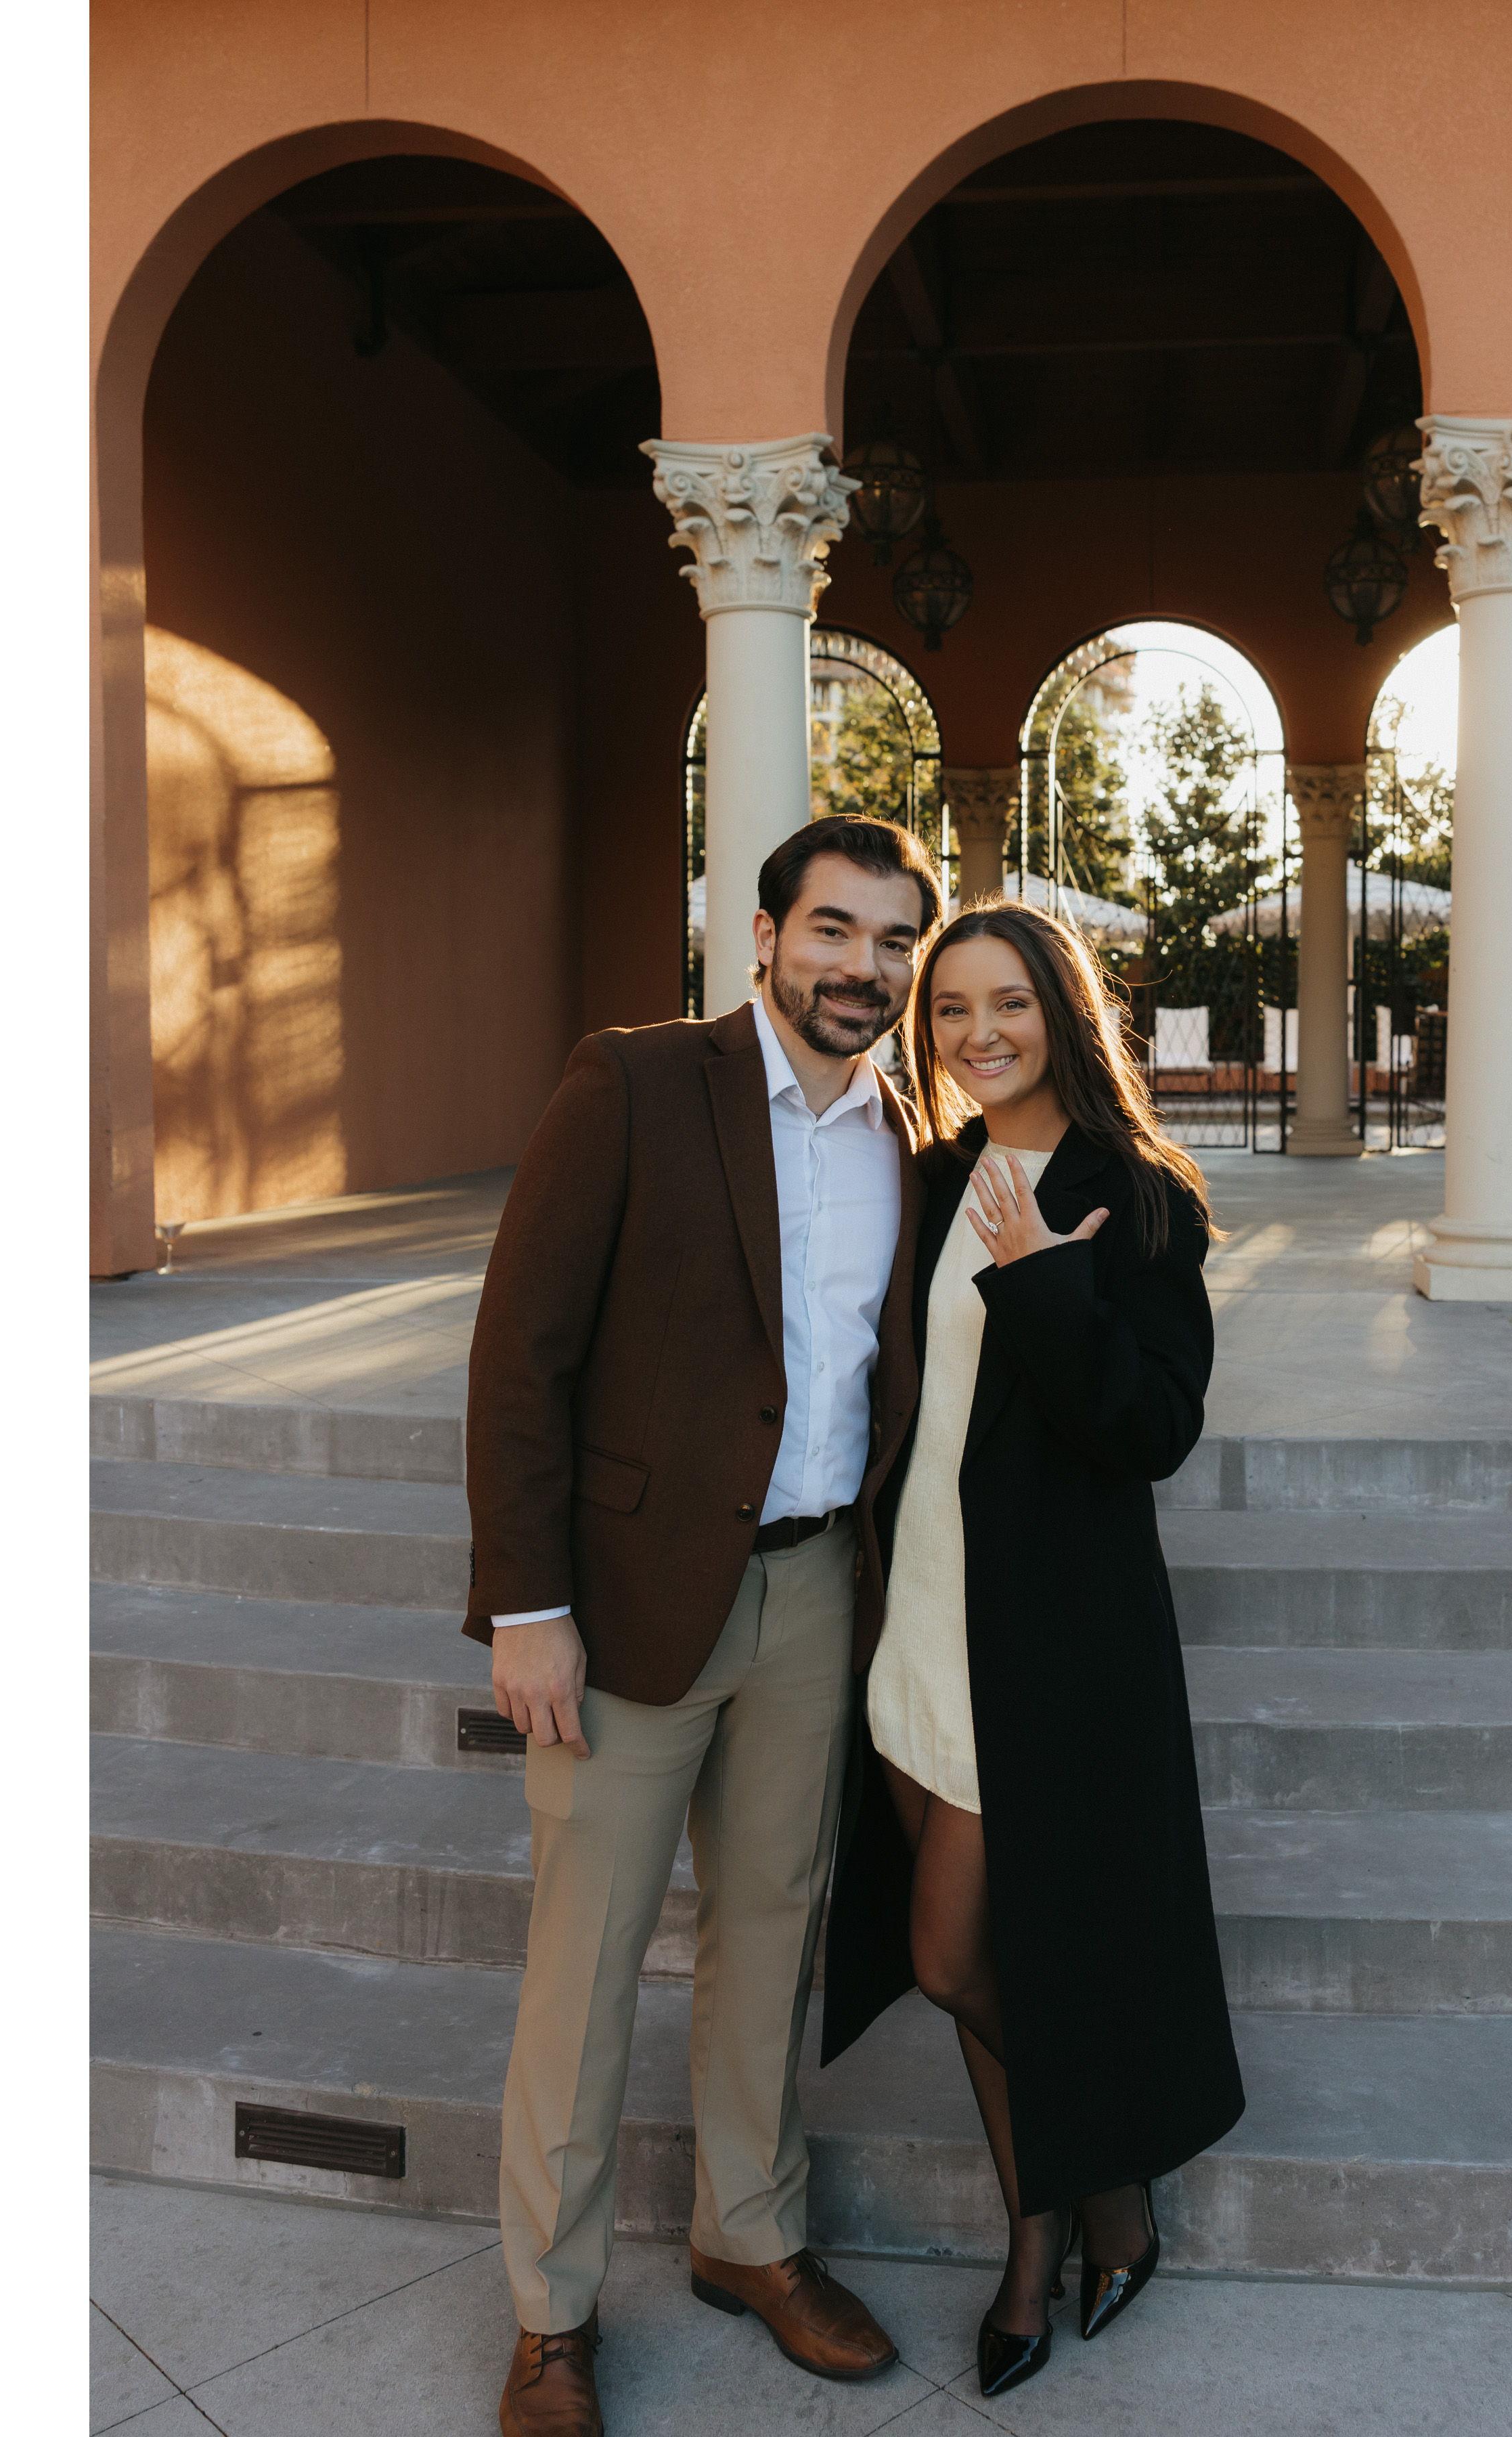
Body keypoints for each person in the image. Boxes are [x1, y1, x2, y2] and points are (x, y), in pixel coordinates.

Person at [463, 815, 940, 2437]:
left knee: (772, 1931)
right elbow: (521, 1352)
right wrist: (530, 1606)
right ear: (765, 936)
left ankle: (750, 2234)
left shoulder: (909, 1131)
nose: (863, 967)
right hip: (625, 1601)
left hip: (814, 1592)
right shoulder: (638, 1082)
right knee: (586, 1963)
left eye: (892, 940)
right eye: (834, 930)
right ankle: (552, 2317)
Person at [822, 900, 1247, 2400]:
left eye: (1006, 1003)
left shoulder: (1136, 1195)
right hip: (916, 1628)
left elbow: (1155, 1429)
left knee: (951, 1957)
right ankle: (1078, 2206)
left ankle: (1067, 2216)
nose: (976, 1033)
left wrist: (1048, 1282)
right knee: (982, 1960)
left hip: (1045, 1645)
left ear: (1061, 1012)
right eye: (949, 1009)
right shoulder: (936, 1176)